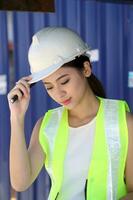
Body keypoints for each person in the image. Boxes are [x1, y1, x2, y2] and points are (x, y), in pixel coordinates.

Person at [7, 27, 133, 200]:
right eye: (49, 86)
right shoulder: (46, 126)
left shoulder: (124, 122)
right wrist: (17, 117)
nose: (59, 93)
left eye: (64, 81)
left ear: (86, 69)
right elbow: (20, 183)